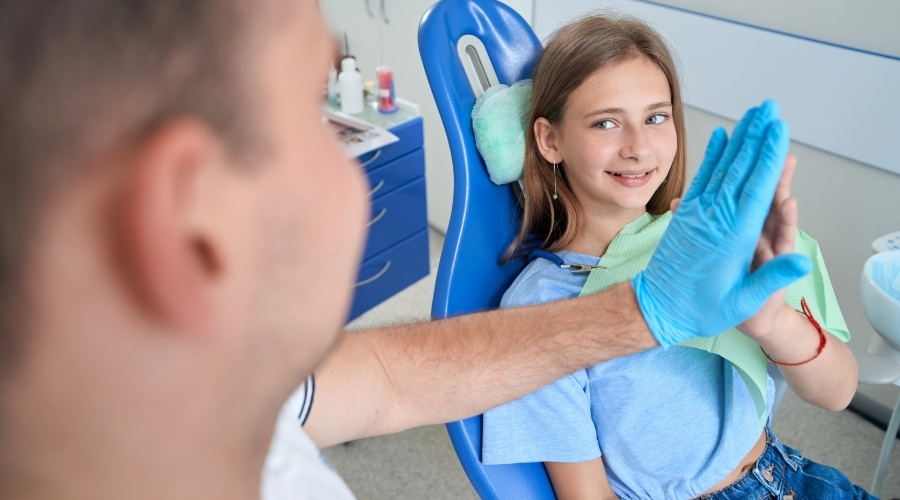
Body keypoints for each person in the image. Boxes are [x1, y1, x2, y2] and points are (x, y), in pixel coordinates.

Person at [0, 1, 812, 499]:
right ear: (186, 226)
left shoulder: (212, 406)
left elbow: (384, 379)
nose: (356, 177)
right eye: (315, 120)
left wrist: (644, 312)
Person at [479, 14, 865, 499]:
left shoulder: (701, 245)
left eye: (656, 117)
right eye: (606, 122)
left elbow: (837, 392)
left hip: (792, 474)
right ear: (549, 139)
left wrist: (772, 324)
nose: (638, 147)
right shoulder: (542, 314)